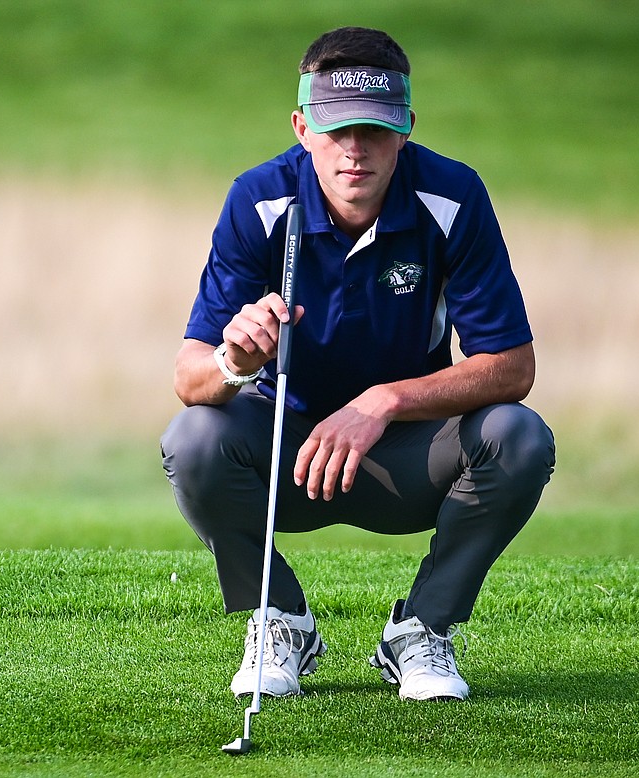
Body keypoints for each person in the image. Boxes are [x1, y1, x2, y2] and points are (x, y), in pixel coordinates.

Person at [160, 26, 555, 702]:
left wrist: (383, 401)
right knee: (193, 439)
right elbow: (190, 375)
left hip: (404, 458)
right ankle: (279, 618)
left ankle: (422, 630)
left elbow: (512, 367)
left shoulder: (452, 197)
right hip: (283, 446)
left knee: (518, 436)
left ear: (404, 130)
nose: (354, 149)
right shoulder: (258, 199)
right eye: (336, 129)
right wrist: (235, 359)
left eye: (374, 130)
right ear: (301, 127)